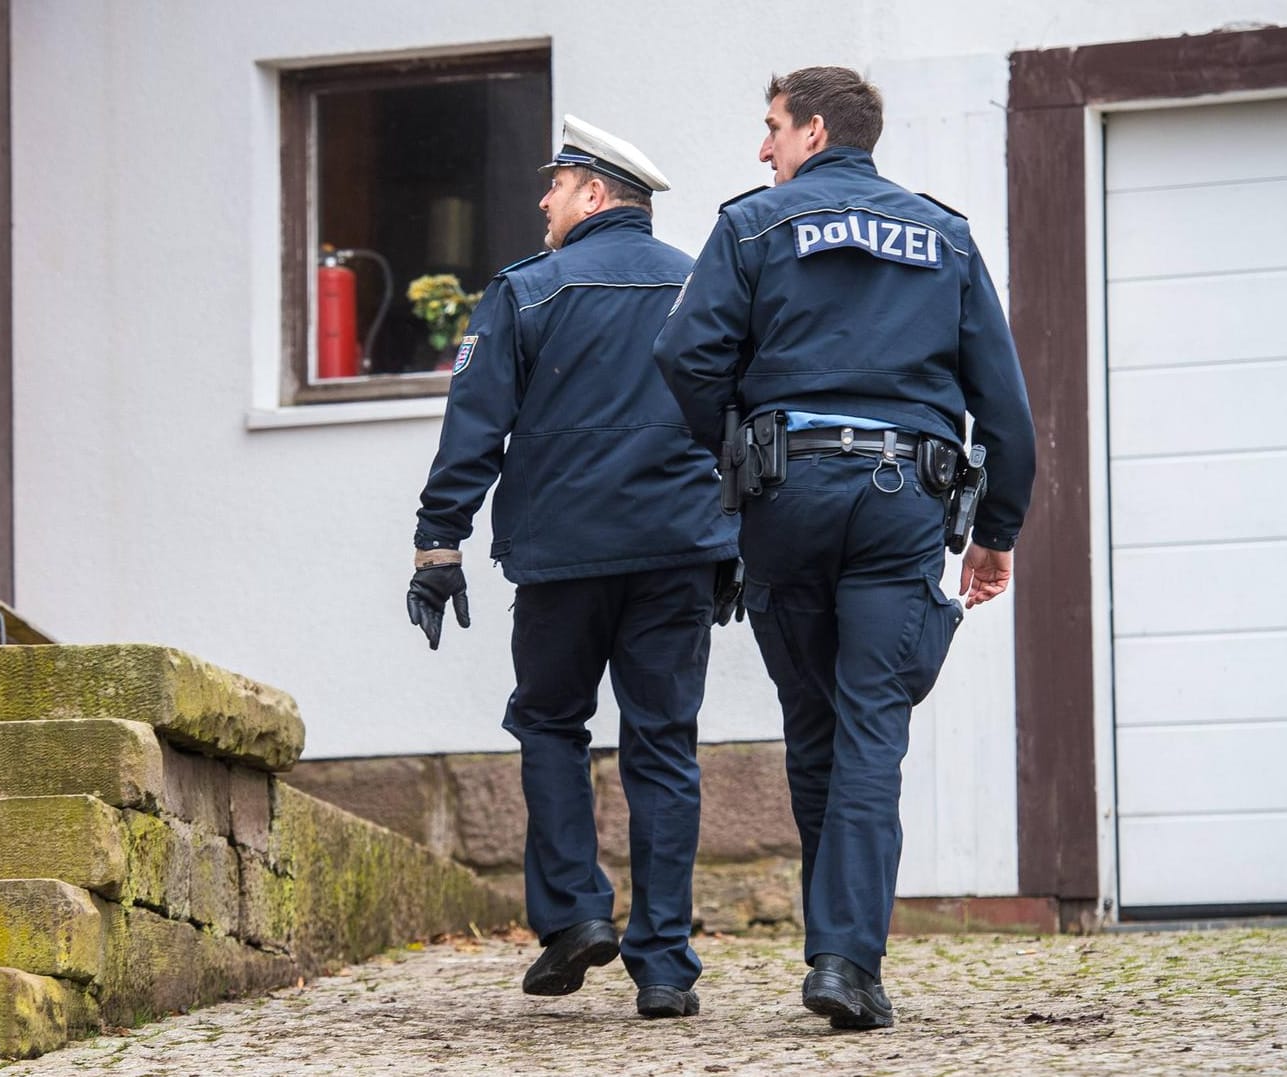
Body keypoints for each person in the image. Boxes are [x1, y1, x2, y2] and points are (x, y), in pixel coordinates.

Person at [653, 67, 1037, 1030]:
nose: (763, 148)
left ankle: (839, 954)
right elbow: (1005, 407)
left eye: (772, 128)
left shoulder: (750, 225)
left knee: (814, 721)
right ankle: (844, 961)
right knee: (872, 725)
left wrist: (740, 450)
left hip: (786, 492)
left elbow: (683, 355)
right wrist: (995, 536)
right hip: (902, 495)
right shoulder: (941, 234)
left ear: (815, 130)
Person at [406, 115, 740, 1019]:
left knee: (549, 721)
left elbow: (472, 429)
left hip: (561, 560)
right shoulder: (701, 284)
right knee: (663, 745)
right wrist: (737, 540)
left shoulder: (526, 290)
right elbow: (741, 416)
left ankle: (574, 917)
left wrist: (439, 544)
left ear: (593, 194)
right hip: (678, 550)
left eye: (553, 187)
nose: (542, 204)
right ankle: (664, 964)